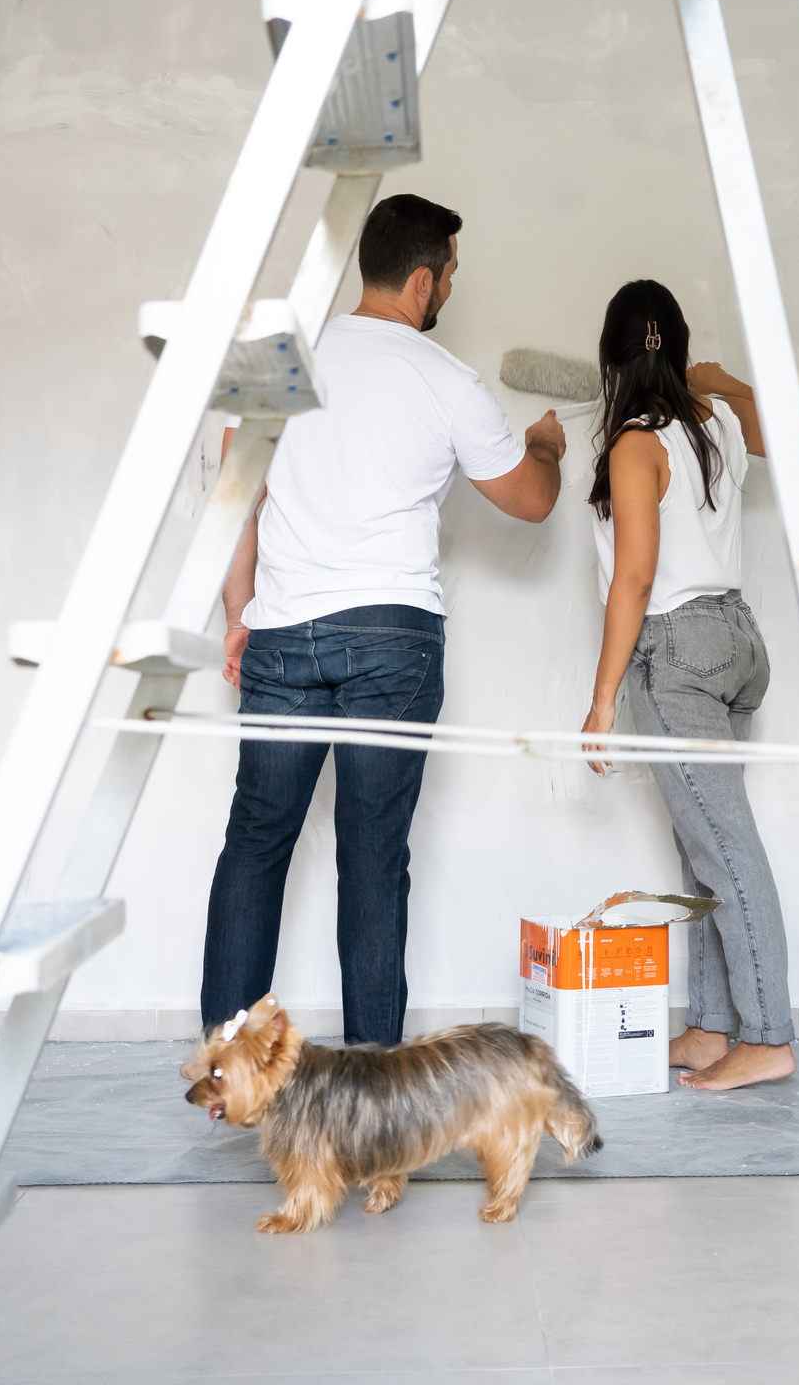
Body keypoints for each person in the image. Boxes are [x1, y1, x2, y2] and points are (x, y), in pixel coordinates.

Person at [190, 193, 566, 1053]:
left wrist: (239, 613)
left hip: (285, 634)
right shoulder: (444, 379)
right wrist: (544, 441)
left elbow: (236, 491)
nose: (450, 294)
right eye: (451, 277)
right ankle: (372, 1086)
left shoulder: (286, 361)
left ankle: (230, 1071)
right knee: (372, 860)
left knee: (256, 842)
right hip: (392, 638)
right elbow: (533, 501)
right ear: (426, 277)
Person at [580, 279, 799, 1092]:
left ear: (613, 358)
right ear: (679, 351)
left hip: (677, 648)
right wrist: (723, 383)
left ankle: (767, 1036)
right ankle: (715, 1028)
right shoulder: (713, 423)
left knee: (724, 847)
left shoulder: (635, 445)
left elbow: (637, 575)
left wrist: (604, 695)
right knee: (704, 843)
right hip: (737, 640)